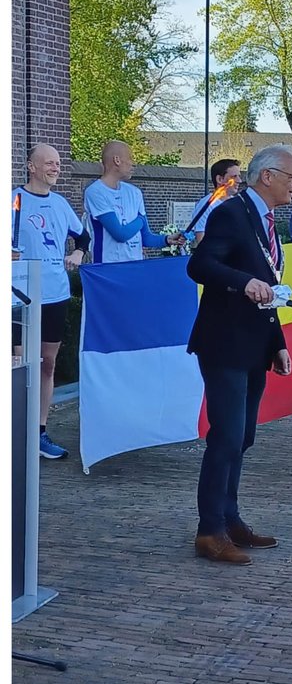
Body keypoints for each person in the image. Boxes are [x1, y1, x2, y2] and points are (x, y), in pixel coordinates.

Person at [185, 144, 292, 565]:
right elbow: (199, 266)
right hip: (225, 342)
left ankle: (230, 518)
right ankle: (209, 530)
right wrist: (242, 281)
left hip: (255, 344)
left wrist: (278, 342)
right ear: (267, 176)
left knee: (244, 436)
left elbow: (271, 289)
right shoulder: (231, 213)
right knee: (227, 436)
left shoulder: (267, 222)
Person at [12, 143, 91, 460]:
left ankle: (39, 431)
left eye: (57, 163)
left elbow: (82, 236)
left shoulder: (60, 204)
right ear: (31, 166)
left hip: (55, 294)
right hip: (19, 297)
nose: (55, 168)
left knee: (47, 363)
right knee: (19, 363)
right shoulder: (13, 201)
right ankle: (15, 429)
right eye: (48, 163)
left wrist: (78, 253)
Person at [84, 140, 183, 261]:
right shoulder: (95, 192)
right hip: (108, 266)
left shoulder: (135, 192)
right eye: (130, 158)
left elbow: (146, 237)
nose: (133, 164)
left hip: (135, 265)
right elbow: (120, 234)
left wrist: (167, 239)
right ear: (117, 160)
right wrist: (141, 220)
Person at [188, 158, 241, 247]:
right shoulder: (206, 205)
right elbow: (202, 241)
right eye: (234, 176)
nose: (239, 180)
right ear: (220, 179)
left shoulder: (238, 204)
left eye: (239, 176)